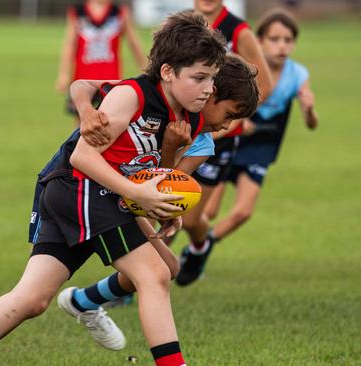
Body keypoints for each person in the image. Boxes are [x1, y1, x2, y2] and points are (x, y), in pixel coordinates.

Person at [0, 11, 227, 366]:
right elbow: (83, 157)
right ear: (167, 71)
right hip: (80, 187)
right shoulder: (132, 96)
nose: (209, 88)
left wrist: (161, 207)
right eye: (199, 78)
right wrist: (137, 195)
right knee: (154, 275)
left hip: (86, 194)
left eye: (212, 79)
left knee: (33, 298)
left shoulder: (188, 117)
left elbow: (137, 170)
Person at [53, 53, 260, 348]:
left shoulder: (201, 143)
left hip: (129, 193)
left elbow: (162, 185)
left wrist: (169, 148)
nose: (227, 126)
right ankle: (83, 302)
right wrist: (86, 110)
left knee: (169, 267)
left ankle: (82, 301)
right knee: (154, 273)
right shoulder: (157, 99)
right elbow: (83, 85)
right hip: (88, 184)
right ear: (210, 94)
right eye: (229, 114)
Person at [178, 9, 319, 286]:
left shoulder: (295, 73)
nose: (281, 45)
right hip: (223, 137)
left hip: (254, 145)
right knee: (203, 213)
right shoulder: (198, 32)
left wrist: (308, 108)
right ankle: (190, 249)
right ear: (262, 40)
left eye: (288, 40)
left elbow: (304, 117)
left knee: (239, 211)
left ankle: (201, 247)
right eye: (275, 39)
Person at [174, 0, 275, 285]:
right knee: (165, 201)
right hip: (180, 128)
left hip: (219, 139)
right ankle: (134, 283)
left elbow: (264, 84)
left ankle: (199, 246)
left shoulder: (239, 31)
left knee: (192, 218)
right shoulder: (187, 26)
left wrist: (239, 118)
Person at [55, 0, 146, 125]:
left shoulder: (119, 13)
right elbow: (70, 45)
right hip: (82, 81)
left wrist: (146, 68)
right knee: (81, 126)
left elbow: (133, 43)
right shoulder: (78, 12)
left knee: (108, 124)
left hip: (109, 81)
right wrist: (63, 74)